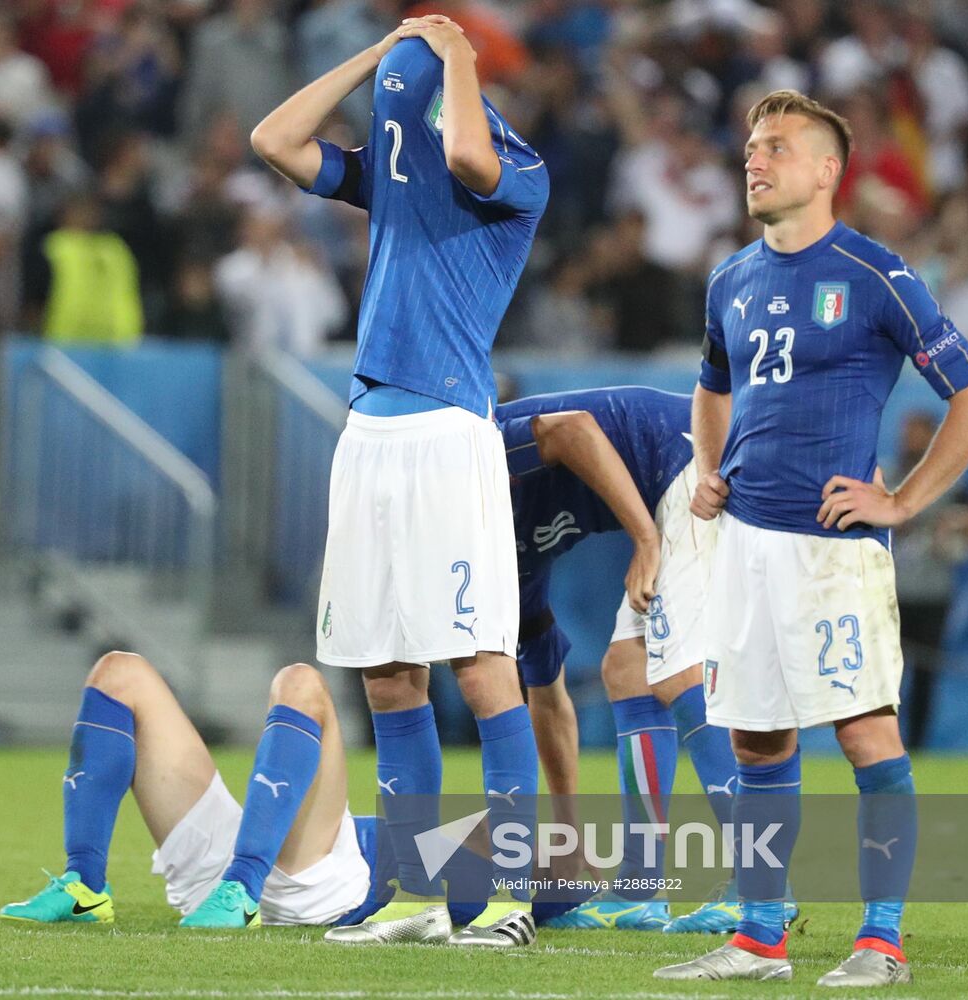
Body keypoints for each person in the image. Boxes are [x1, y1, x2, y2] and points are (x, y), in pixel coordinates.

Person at [654, 90, 968, 987]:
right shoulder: (729, 278)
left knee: (863, 738)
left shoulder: (875, 273)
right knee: (756, 742)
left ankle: (880, 941)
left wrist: (905, 501)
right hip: (742, 543)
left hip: (830, 551)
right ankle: (759, 938)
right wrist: (706, 465)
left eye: (774, 147)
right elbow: (711, 382)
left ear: (824, 171)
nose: (753, 161)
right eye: (748, 148)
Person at [245, 16, 549, 948]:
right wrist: (375, 57)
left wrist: (452, 52)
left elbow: (463, 145)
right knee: (386, 675)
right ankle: (424, 889)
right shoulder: (392, 178)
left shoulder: (518, 171)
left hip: (448, 430)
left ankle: (506, 897)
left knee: (479, 661)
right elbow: (275, 140)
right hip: (368, 430)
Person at [498, 386, 795, 934]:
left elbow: (574, 428)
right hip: (668, 494)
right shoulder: (506, 569)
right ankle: (638, 888)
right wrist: (568, 839)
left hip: (694, 465)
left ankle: (764, 885)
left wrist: (645, 539)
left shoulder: (472, 452)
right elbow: (547, 696)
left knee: (680, 671)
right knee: (627, 669)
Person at [0, 652, 382, 930]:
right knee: (118, 671)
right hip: (213, 877)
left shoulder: (423, 843)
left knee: (301, 681)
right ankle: (84, 884)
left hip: (304, 881)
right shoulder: (424, 828)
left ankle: (243, 888)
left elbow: (431, 866)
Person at [889, 411, 968, 749]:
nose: (908, 439)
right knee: (886, 677)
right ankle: (884, 743)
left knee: (925, 677)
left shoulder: (951, 482)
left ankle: (916, 746)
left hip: (932, 594)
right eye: (906, 431)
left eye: (916, 432)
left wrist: (956, 523)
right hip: (889, 594)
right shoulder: (888, 476)